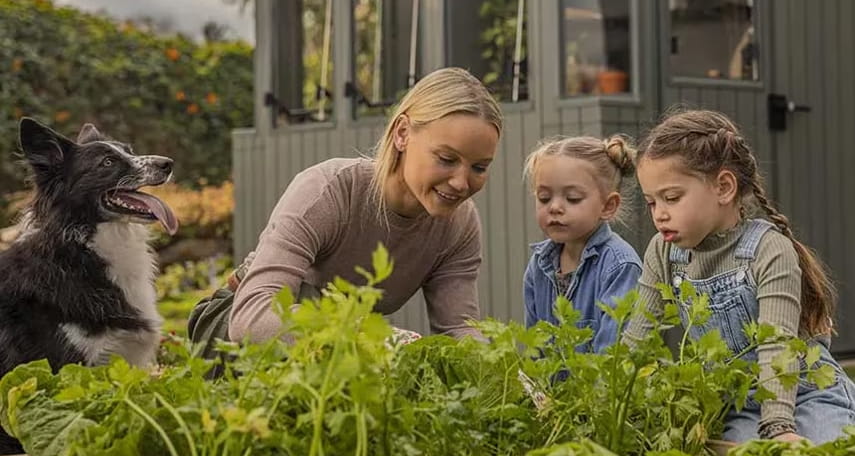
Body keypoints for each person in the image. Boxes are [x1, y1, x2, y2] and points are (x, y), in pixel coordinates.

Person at [622, 109, 855, 443]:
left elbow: (778, 346)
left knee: (823, 446)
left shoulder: (768, 249)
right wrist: (608, 400)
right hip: (738, 404)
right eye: (651, 202)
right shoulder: (662, 251)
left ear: (724, 187)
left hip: (806, 389)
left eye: (672, 198)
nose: (660, 214)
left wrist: (779, 427)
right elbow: (636, 340)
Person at [223, 67, 502, 344]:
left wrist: (499, 372)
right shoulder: (329, 191)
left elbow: (458, 330)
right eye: (446, 159)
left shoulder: (459, 225)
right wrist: (373, 341)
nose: (461, 183)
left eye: (479, 167)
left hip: (335, 354)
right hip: (238, 331)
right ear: (402, 133)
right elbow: (252, 316)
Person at [522, 136, 642, 353]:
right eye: (544, 197)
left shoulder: (620, 266)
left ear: (608, 206)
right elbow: (535, 347)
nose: (555, 207)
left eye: (573, 198)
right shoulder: (538, 265)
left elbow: (613, 355)